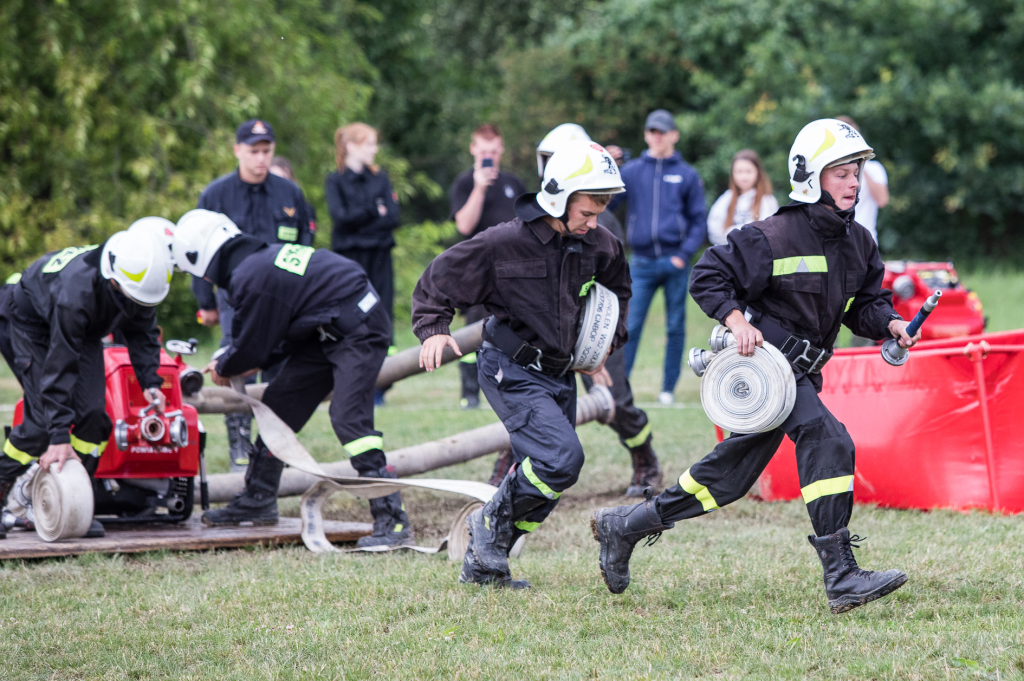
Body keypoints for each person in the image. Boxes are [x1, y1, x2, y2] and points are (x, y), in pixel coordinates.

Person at [592, 119, 919, 615]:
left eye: (857, 173)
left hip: (800, 376)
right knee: (829, 440)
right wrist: (736, 318)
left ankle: (626, 526)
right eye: (842, 173)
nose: (854, 182)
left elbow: (863, 305)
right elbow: (708, 277)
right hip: (767, 368)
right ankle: (841, 576)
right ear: (810, 175)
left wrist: (891, 323)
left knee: (728, 478)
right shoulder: (771, 235)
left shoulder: (860, 243)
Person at [413, 141, 631, 588]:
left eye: (599, 214)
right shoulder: (502, 242)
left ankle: (484, 565)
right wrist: (433, 327)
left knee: (552, 480)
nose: (594, 224)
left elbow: (617, 292)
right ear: (557, 197)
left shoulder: (601, 244)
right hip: (508, 368)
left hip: (560, 373)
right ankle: (487, 524)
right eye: (587, 213)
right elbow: (439, 277)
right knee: (561, 458)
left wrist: (604, 345)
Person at [174, 209, 413, 547]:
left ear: (203, 261)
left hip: (359, 329)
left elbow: (253, 349)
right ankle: (258, 499)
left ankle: (393, 521)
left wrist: (226, 366)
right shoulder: (258, 264)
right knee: (279, 406)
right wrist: (233, 360)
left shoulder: (250, 277)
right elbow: (272, 337)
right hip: (325, 331)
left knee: (349, 420)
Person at [0, 225, 173, 540]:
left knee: (95, 418)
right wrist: (58, 437)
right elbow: (59, 366)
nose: (137, 303)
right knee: (40, 425)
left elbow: (143, 332)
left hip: (87, 329)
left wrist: (150, 381)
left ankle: (72, 500)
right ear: (112, 281)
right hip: (34, 324)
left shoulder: (140, 277)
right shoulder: (75, 294)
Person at [529, 123, 662, 497]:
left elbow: (613, 289)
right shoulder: (533, 220)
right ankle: (508, 468)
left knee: (615, 401)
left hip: (594, 328)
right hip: (545, 331)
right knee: (531, 402)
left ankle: (645, 459)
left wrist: (597, 349)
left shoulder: (602, 222)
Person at [193, 119, 313, 473]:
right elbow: (198, 253)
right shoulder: (216, 195)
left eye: (267, 151)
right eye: (253, 151)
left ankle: (276, 450)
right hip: (236, 298)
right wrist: (205, 301)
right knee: (236, 366)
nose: (261, 159)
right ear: (237, 151)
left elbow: (305, 246)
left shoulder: (289, 193)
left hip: (287, 298)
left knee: (282, 371)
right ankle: (240, 451)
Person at [607, 109, 707, 405]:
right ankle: (620, 390)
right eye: (652, 131)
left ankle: (668, 389)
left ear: (674, 135)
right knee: (631, 325)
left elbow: (698, 220)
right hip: (641, 262)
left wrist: (684, 255)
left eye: (662, 131)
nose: (656, 136)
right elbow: (605, 204)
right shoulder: (633, 171)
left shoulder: (687, 174)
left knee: (675, 326)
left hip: (675, 261)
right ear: (646, 135)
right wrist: (608, 167)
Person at [448, 124, 528, 409]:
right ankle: (470, 393)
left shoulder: (513, 183)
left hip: (514, 272)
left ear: (501, 150)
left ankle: (512, 385)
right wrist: (480, 187)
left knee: (515, 330)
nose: (489, 157)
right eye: (483, 152)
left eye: (493, 152)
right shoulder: (464, 183)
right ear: (473, 150)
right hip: (478, 272)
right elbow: (464, 224)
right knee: (474, 333)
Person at [325, 123, 400, 406]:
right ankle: (351, 381)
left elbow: (392, 217)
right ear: (352, 146)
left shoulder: (380, 178)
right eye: (369, 144)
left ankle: (382, 384)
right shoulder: (335, 181)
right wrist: (372, 211)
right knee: (352, 315)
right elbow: (340, 218)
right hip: (350, 258)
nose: (374, 150)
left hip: (380, 255)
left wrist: (364, 219)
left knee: (382, 313)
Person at [706, 149, 779, 246]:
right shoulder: (726, 199)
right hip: (729, 256)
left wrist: (733, 233)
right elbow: (714, 230)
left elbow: (767, 233)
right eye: (739, 171)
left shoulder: (767, 201)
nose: (743, 176)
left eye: (748, 171)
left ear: (757, 172)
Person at [836, 117, 889, 245]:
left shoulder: (874, 168)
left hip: (865, 243)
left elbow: (882, 200)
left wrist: (859, 163)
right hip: (837, 242)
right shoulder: (829, 171)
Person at [270, 156, 318, 238]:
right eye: (273, 178)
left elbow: (307, 237)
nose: (278, 183)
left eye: (283, 179)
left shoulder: (305, 208)